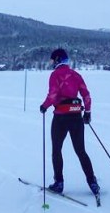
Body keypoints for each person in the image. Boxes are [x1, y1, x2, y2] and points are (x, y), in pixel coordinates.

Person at [39, 48, 99, 195]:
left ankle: (59, 183)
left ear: (58, 59)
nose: (51, 63)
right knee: (81, 151)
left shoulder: (55, 75)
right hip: (76, 116)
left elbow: (52, 95)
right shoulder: (76, 75)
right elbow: (86, 95)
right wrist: (88, 112)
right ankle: (92, 182)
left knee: (56, 150)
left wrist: (44, 106)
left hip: (60, 117)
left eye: (53, 60)